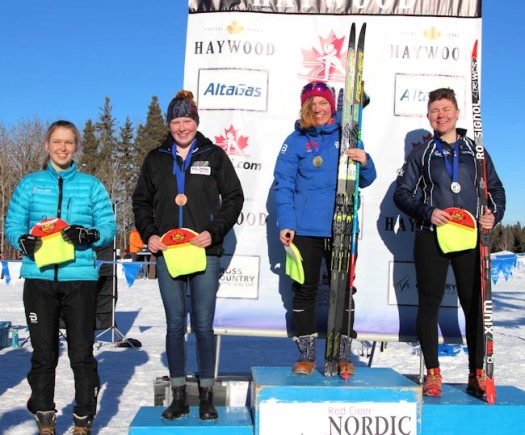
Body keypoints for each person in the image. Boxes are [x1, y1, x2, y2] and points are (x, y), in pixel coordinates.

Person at [132, 90, 244, 420]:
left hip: (204, 252)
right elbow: (140, 202)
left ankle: (206, 394)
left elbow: (235, 197)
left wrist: (216, 230)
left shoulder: (214, 155)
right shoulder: (155, 158)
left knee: (204, 326)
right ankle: (179, 394)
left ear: (196, 122)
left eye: (187, 121)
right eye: (176, 121)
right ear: (169, 124)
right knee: (174, 325)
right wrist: (150, 234)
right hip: (169, 254)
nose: (182, 127)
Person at [4, 120, 116, 434]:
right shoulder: (29, 183)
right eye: (57, 142)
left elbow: (108, 227)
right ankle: (44, 416)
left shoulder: (91, 185)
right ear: (47, 145)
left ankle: (83, 418)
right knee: (44, 353)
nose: (62, 148)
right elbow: (12, 224)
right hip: (39, 278)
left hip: (80, 278)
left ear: (75, 146)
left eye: (68, 142)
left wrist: (90, 234)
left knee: (81, 353)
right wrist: (21, 240)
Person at [393, 88, 506, 398]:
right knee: (429, 305)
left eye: (445, 109)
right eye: (434, 111)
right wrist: (428, 211)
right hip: (432, 237)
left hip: (469, 238)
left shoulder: (476, 151)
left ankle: (476, 373)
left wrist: (492, 215)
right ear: (428, 116)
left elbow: (496, 191)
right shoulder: (422, 153)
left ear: (457, 114)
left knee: (474, 308)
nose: (440, 115)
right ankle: (433, 373)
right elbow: (401, 195)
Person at [272, 81, 376, 376]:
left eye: (323, 103)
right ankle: (307, 355)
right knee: (304, 291)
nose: (317, 108)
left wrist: (364, 161)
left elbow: (366, 178)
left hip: (342, 225)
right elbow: (284, 184)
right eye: (312, 103)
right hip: (305, 228)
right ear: (305, 107)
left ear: (333, 106)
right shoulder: (295, 141)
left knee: (343, 292)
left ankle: (342, 354)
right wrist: (287, 223)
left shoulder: (348, 137)